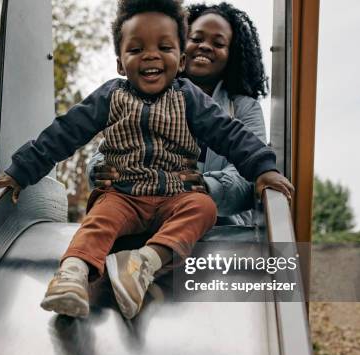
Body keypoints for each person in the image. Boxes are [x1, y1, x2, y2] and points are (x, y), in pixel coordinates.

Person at [0, 0, 293, 320]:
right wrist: (20, 171)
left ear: (180, 58)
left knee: (202, 208)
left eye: (163, 46)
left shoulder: (191, 99)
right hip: (124, 195)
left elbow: (230, 135)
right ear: (120, 63)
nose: (151, 55)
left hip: (175, 196)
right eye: (137, 49)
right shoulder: (111, 97)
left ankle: (143, 262)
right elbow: (64, 133)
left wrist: (263, 168)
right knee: (100, 217)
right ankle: (71, 274)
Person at [90, 2, 272, 226]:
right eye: (196, 38)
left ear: (232, 54)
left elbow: (250, 175)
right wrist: (100, 172)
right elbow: (108, 149)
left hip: (220, 236)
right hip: (147, 225)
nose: (205, 46)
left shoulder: (244, 107)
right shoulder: (143, 94)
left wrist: (205, 187)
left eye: (218, 43)